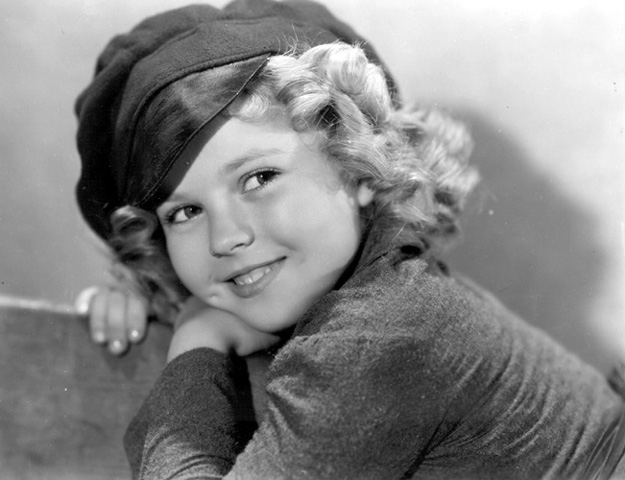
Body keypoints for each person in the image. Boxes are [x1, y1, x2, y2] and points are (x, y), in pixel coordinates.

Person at [73, 0, 625, 478]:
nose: (227, 237)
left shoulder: (381, 334)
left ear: (358, 165)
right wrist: (156, 307)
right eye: (185, 211)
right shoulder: (375, 286)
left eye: (259, 178)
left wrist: (196, 337)